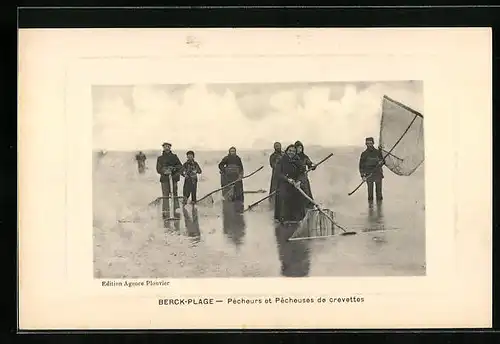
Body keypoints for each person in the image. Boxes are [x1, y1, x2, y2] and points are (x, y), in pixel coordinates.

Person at [274, 144, 307, 223]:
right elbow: (278, 173)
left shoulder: (298, 161)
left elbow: (302, 173)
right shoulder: (281, 161)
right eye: (290, 151)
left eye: (294, 151)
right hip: (284, 185)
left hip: (295, 185)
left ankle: (296, 220)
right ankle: (283, 221)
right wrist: (287, 179)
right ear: (286, 151)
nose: (291, 153)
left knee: (298, 200)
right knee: (283, 199)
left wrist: (299, 181)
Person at [156, 142, 183, 215]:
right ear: (163, 148)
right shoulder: (160, 158)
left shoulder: (174, 156)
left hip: (173, 178)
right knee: (165, 195)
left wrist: (173, 169)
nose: (166, 148)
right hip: (164, 179)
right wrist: (164, 171)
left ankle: (176, 208)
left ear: (170, 147)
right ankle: (165, 210)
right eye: (165, 146)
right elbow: (158, 169)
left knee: (174, 193)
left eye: (168, 146)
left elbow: (180, 166)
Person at [359, 137, 385, 202]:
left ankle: (379, 210)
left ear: (373, 143)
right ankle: (370, 209)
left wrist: (381, 162)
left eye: (370, 143)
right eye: (368, 143)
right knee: (370, 195)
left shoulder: (378, 152)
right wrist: (363, 176)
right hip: (368, 175)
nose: (369, 145)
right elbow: (361, 166)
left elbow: (383, 161)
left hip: (378, 174)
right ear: (366, 144)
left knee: (379, 195)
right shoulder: (364, 154)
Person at [294, 141, 316, 208]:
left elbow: (309, 164)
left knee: (306, 193)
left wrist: (312, 166)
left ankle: (308, 207)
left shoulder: (304, 157)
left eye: (300, 148)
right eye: (298, 148)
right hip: (294, 178)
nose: (299, 149)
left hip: (303, 178)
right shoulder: (292, 157)